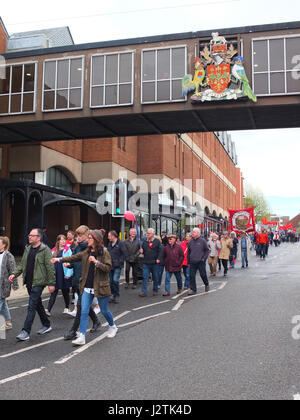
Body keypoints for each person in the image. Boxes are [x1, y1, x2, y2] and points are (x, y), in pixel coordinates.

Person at [52, 229, 117, 346]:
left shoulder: (104, 252)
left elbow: (108, 267)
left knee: (104, 310)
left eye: (90, 238)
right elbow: (73, 257)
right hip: (86, 287)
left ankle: (112, 326)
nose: (88, 240)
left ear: (96, 240)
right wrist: (58, 259)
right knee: (84, 311)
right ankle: (82, 336)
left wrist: (97, 262)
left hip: (100, 286)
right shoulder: (86, 252)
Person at [9, 228, 56, 341]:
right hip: (29, 282)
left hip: (39, 283)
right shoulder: (28, 249)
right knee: (38, 304)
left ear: (38, 238)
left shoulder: (45, 250)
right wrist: (14, 274)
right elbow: (22, 265)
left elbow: (50, 268)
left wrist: (51, 283)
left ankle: (25, 331)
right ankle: (47, 324)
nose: (29, 237)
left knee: (31, 306)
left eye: (32, 235)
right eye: (29, 235)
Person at [63, 225, 100, 341]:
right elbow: (75, 259)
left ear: (86, 235)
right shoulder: (77, 247)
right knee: (85, 305)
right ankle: (96, 321)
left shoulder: (89, 249)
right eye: (77, 235)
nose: (77, 237)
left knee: (80, 306)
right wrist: (70, 264)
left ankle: (73, 331)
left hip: (85, 282)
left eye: (80, 235)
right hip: (77, 279)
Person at [45, 235, 73, 316]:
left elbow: (71, 261)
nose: (63, 241)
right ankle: (48, 310)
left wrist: (68, 274)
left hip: (64, 273)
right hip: (56, 273)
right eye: (61, 240)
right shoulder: (53, 250)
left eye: (64, 239)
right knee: (54, 291)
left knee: (65, 291)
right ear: (58, 241)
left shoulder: (68, 250)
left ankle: (67, 307)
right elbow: (50, 262)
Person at [0, 237, 18, 332]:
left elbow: (13, 271)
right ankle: (8, 323)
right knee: (3, 304)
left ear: (4, 245)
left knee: (1, 302)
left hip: (4, 285)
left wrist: (15, 284)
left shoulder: (8, 256)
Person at [187, 228, 210, 295]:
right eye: (192, 232)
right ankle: (193, 289)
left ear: (198, 233)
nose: (192, 233)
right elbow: (189, 252)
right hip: (192, 262)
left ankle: (206, 284)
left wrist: (203, 259)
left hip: (200, 261)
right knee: (192, 276)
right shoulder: (190, 241)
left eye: (194, 232)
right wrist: (188, 261)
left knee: (202, 274)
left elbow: (207, 250)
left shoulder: (202, 241)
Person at [139, 228, 161, 297]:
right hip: (146, 262)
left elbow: (160, 251)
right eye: (147, 233)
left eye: (149, 233)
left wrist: (158, 258)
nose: (147, 234)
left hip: (155, 263)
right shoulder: (144, 242)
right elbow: (143, 251)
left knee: (155, 277)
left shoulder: (157, 241)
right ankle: (144, 291)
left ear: (152, 234)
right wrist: (141, 251)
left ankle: (155, 290)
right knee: (145, 277)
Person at [107, 231, 127, 303]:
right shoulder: (109, 244)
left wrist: (120, 262)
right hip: (110, 265)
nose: (108, 238)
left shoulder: (120, 243)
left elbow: (124, 254)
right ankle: (112, 294)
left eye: (109, 236)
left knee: (115, 280)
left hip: (117, 266)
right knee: (111, 281)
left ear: (113, 236)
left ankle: (117, 295)